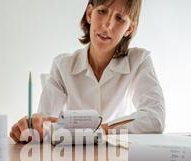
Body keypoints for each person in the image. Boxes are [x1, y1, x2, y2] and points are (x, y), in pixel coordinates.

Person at [9, 0, 165, 143]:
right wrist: (32, 128)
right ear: (89, 13)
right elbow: (44, 125)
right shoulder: (62, 65)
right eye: (102, 11)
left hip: (118, 159)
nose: (107, 25)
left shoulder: (139, 60)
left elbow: (155, 118)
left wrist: (100, 129)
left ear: (129, 28)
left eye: (119, 18)